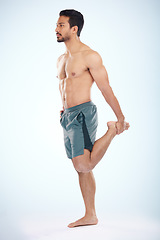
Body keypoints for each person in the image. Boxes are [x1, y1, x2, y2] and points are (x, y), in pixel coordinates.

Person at [55, 9, 130, 228]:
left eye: (61, 25)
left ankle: (112, 130)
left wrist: (120, 118)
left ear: (74, 28)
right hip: (67, 116)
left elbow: (106, 89)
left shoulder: (90, 56)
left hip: (82, 114)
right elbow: (64, 87)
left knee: (84, 164)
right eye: (57, 25)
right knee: (79, 168)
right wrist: (64, 109)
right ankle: (90, 215)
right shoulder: (61, 59)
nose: (56, 29)